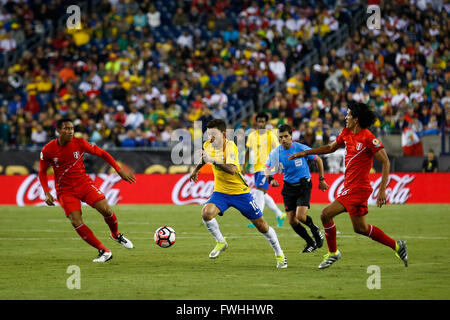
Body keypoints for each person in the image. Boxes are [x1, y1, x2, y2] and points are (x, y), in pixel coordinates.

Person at [289, 102, 408, 269]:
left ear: (356, 119)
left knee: (325, 214)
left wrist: (382, 190)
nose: (346, 117)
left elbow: (386, 162)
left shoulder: (368, 138)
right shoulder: (346, 133)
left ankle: (333, 253)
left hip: (358, 189)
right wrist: (306, 152)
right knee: (361, 228)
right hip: (349, 187)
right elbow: (330, 147)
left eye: (349, 115)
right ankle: (397, 246)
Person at [189, 119, 287, 268]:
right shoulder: (208, 145)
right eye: (208, 134)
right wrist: (196, 170)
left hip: (240, 193)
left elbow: (232, 169)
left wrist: (213, 160)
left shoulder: (230, 147)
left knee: (262, 226)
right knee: (206, 213)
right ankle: (221, 242)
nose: (210, 137)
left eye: (213, 134)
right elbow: (205, 158)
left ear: (222, 134)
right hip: (221, 192)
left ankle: (280, 254)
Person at [38, 118, 136, 263]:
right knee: (75, 221)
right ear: (58, 131)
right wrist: (46, 192)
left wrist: (119, 170)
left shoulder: (80, 143)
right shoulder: (48, 150)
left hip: (84, 184)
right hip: (65, 190)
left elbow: (103, 153)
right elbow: (42, 172)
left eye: (72, 128)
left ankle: (115, 234)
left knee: (106, 210)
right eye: (66, 128)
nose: (70, 131)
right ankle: (104, 251)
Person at [265, 124, 328, 253]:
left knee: (300, 216)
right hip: (288, 187)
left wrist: (321, 179)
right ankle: (310, 243)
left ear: (291, 136)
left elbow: (318, 160)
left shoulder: (300, 148)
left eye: (286, 136)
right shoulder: (275, 152)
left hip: (303, 185)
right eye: (280, 137)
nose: (283, 139)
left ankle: (315, 229)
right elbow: (267, 168)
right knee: (292, 221)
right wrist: (270, 179)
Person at [244, 112, 286, 228]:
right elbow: (248, 150)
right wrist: (244, 165)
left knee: (259, 190)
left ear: (266, 123)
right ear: (256, 122)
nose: (261, 123)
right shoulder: (252, 135)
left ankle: (258, 217)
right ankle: (280, 214)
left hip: (267, 167)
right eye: (259, 121)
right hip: (256, 167)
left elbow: (278, 149)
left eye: (263, 121)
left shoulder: (270, 135)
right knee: (263, 193)